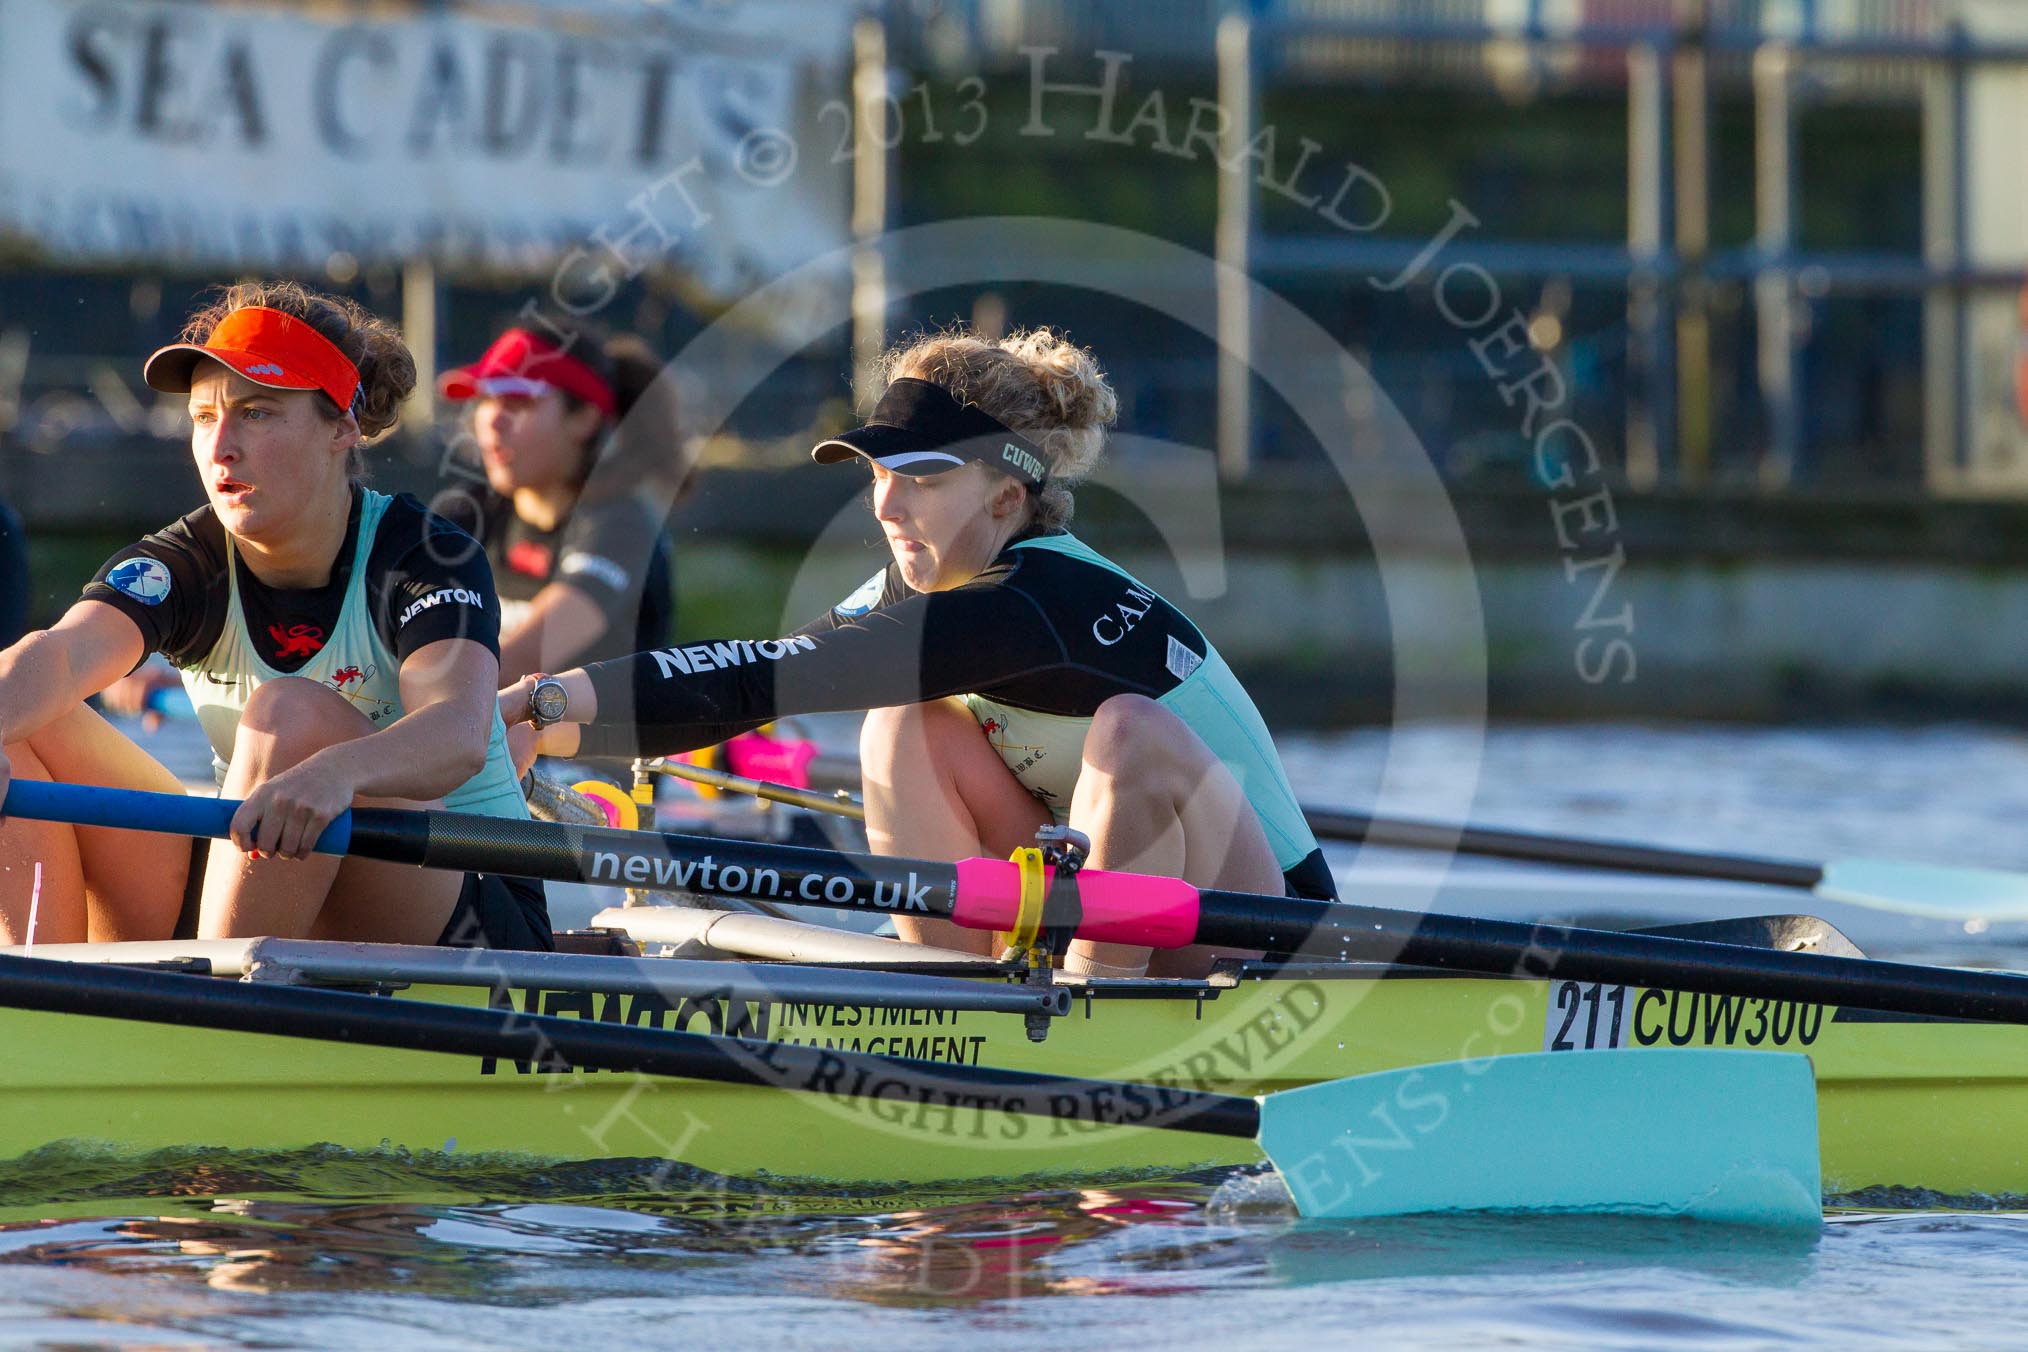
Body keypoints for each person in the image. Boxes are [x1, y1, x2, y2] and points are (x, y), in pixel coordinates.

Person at [499, 327, 1331, 978]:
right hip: (1122, 895)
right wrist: (549, 715)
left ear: (1008, 495)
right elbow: (757, 673)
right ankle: (956, 993)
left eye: (923, 478)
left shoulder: (1037, 600)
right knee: (899, 724)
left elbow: (772, 675)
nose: (887, 504)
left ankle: (1081, 1006)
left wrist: (549, 703)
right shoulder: (921, 585)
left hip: (1268, 930)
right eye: (875, 473)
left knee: (1128, 731)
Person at [0, 282, 549, 950]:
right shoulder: (183, 564)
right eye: (204, 417)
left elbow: (457, 735)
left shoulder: (424, 556)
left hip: (472, 918)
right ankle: (41, 1003)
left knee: (290, 716)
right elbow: (59, 656)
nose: (221, 445)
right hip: (278, 870)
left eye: (256, 413)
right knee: (22, 715)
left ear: (342, 428)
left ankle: (216, 1022)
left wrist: (334, 772)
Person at [431, 321, 684, 682]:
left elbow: (521, 661)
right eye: (486, 398)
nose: (492, 420)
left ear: (584, 419)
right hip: (496, 734)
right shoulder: (470, 512)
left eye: (518, 401)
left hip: (596, 738)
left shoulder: (622, 524)